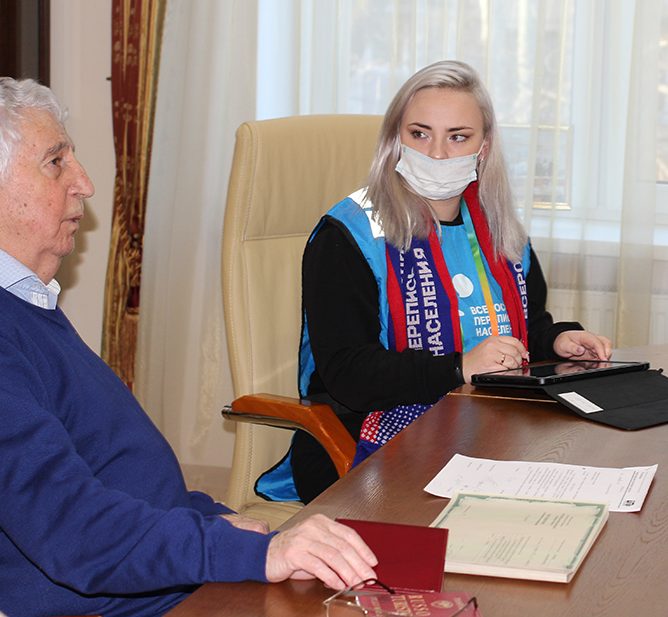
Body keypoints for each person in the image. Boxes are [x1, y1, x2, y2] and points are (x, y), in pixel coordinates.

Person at [0, 76, 377, 617]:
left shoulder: (4, 296)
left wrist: (215, 523)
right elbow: (72, 532)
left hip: (155, 579)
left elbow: (107, 470)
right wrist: (248, 552)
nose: (84, 183)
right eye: (55, 162)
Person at [256, 60, 614, 504]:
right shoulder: (348, 234)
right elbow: (349, 374)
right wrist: (457, 368)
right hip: (360, 444)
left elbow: (522, 328)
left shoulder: (501, 231)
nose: (438, 154)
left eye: (458, 136)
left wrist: (557, 341)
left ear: (484, 147)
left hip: (480, 430)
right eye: (420, 134)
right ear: (396, 140)